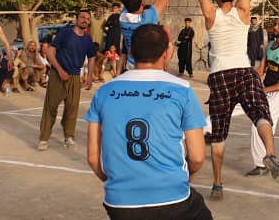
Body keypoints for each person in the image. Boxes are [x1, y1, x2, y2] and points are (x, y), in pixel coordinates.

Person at [193, 0, 279, 200]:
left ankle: (218, 183)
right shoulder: (243, 11)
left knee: (219, 132)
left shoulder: (211, 13)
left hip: (220, 76)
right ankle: (270, 152)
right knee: (260, 113)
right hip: (244, 72)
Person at [85, 24, 211, 219]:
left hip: (119, 203)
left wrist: (118, 184)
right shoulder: (182, 89)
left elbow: (93, 158)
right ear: (167, 52)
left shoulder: (103, 91)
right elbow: (196, 157)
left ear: (132, 52)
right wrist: (185, 178)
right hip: (172, 198)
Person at [37, 10, 98, 151]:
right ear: (76, 19)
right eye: (82, 17)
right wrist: (60, 70)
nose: (85, 20)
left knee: (72, 108)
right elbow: (50, 53)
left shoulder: (87, 39)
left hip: (75, 77)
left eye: (88, 19)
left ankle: (69, 136)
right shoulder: (65, 33)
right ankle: (44, 138)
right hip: (57, 75)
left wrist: (89, 76)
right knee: (51, 107)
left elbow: (92, 57)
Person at [246, 17, 279, 177]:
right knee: (262, 122)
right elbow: (261, 70)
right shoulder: (269, 46)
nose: (275, 27)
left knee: (259, 124)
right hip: (266, 88)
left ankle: (264, 163)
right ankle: (267, 161)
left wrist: (266, 90)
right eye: (275, 24)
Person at [118, 0, 171, 72]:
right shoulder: (146, 19)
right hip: (148, 68)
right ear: (142, 2)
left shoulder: (122, 17)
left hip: (131, 65)